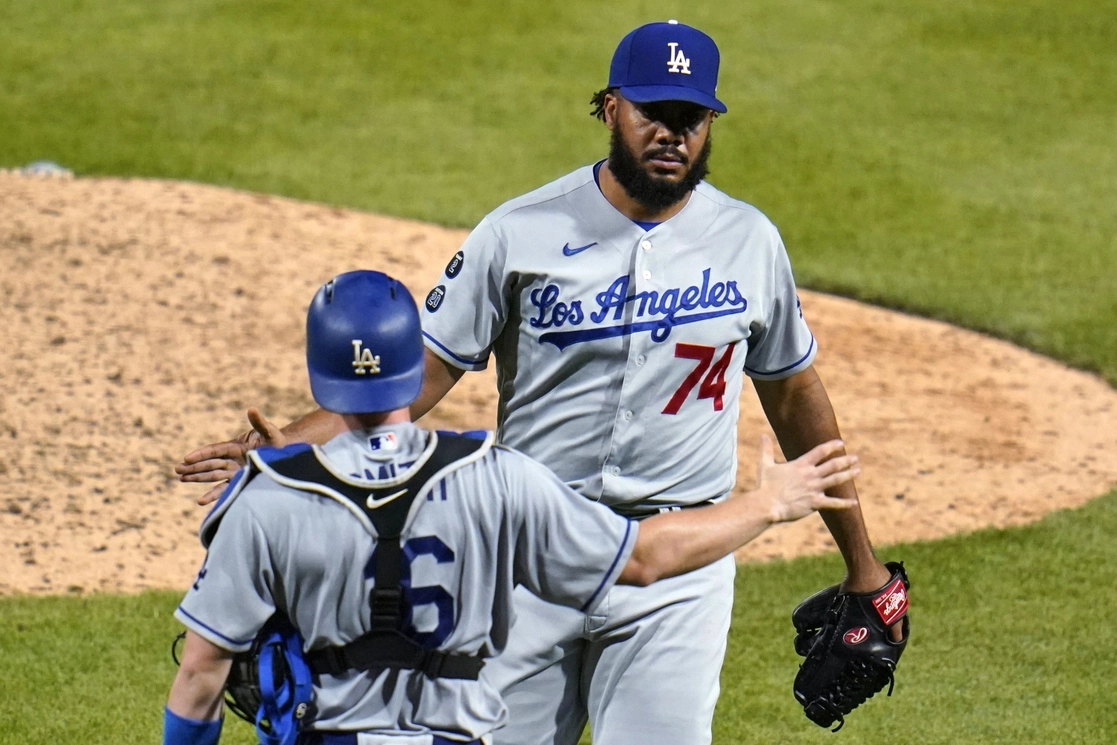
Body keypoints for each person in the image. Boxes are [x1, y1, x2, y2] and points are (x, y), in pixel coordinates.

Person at [176, 21, 901, 745]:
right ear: (610, 107)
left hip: (683, 560)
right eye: (653, 113)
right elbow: (423, 372)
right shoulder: (518, 232)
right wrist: (291, 452)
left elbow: (793, 396)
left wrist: (863, 567)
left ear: (709, 123)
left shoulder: (749, 242)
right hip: (527, 554)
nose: (671, 135)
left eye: (690, 118)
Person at [164, 269, 862, 745]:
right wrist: (768, 502)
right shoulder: (495, 477)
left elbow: (199, 675)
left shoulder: (267, 499)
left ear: (318, 372)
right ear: (417, 363)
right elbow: (647, 555)